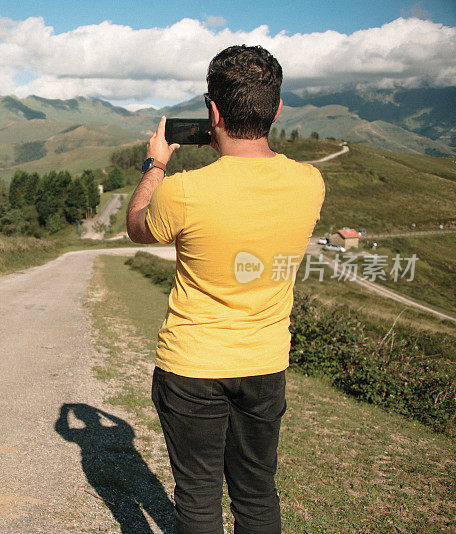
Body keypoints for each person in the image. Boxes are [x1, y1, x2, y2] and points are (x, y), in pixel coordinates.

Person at [126, 45, 325, 533]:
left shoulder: (184, 191)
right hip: (264, 364)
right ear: (277, 109)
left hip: (192, 365)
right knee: (257, 493)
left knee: (197, 497)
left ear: (212, 110)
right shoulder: (310, 182)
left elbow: (137, 226)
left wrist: (156, 166)